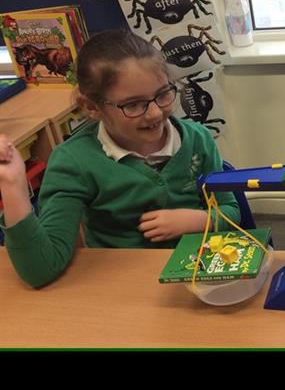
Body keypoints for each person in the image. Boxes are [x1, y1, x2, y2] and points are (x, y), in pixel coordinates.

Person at [0, 29, 239, 287]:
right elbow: (42, 270)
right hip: (122, 285)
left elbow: (231, 211)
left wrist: (199, 220)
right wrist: (13, 187)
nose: (155, 113)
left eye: (163, 94)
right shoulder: (73, 162)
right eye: (133, 104)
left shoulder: (197, 139)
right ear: (91, 107)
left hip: (201, 276)